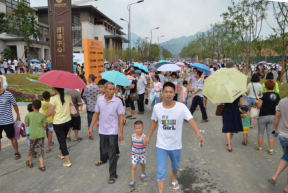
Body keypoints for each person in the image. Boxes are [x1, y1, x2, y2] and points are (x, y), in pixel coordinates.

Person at [143, 82, 204, 193]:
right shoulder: (157, 107)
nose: (168, 94)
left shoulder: (181, 107)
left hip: (176, 145)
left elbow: (190, 120)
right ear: (162, 93)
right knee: (161, 170)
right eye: (166, 92)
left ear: (174, 93)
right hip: (161, 144)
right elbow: (154, 122)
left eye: (171, 92)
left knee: (175, 165)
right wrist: (148, 137)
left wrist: (198, 132)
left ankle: (174, 178)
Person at [88, 82, 124, 184]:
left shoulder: (118, 101)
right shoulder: (99, 100)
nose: (112, 91)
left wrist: (121, 131)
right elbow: (96, 113)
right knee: (104, 151)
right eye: (110, 89)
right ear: (105, 89)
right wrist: (90, 127)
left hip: (113, 130)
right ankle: (115, 155)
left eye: (114, 89)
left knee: (111, 152)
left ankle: (113, 175)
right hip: (102, 130)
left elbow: (121, 116)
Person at [45, 87, 72, 167]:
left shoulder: (53, 98)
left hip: (58, 123)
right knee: (62, 138)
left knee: (62, 141)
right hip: (68, 121)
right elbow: (70, 107)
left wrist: (43, 117)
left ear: (55, 89)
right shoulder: (68, 96)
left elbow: (50, 112)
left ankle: (67, 161)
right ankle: (61, 153)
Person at [267, 93, 288, 191]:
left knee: (286, 156)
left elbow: (277, 117)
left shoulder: (282, 101)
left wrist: (275, 130)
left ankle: (275, 176)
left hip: (283, 135)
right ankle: (287, 187)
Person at [255, 80, 280, 155]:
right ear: (274, 86)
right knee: (271, 133)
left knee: (260, 132)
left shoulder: (263, 95)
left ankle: (259, 146)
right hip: (273, 115)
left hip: (263, 115)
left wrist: (257, 102)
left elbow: (259, 106)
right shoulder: (277, 95)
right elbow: (278, 104)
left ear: (265, 87)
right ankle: (271, 149)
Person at [0, 82, 21, 159]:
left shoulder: (8, 94)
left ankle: (16, 152)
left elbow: (14, 104)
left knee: (12, 137)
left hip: (7, 121)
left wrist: (18, 115)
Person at [24, 100, 47, 171]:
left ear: (32, 106)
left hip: (33, 135)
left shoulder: (28, 115)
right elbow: (44, 125)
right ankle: (42, 165)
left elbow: (27, 124)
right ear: (40, 107)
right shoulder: (42, 115)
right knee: (40, 150)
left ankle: (30, 162)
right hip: (41, 135)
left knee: (31, 149)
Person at [129, 120, 146, 188]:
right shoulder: (133, 136)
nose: (138, 130)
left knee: (142, 165)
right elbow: (131, 143)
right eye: (136, 128)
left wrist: (146, 141)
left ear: (143, 128)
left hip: (142, 154)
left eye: (139, 128)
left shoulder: (144, 137)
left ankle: (143, 172)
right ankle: (133, 180)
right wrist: (132, 150)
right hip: (134, 154)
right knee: (134, 167)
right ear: (134, 129)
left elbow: (146, 144)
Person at [83, 74, 99, 140]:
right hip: (97, 106)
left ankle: (90, 134)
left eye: (88, 78)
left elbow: (84, 95)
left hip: (89, 105)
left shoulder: (87, 87)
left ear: (90, 79)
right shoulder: (97, 87)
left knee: (90, 121)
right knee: (98, 120)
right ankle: (101, 132)